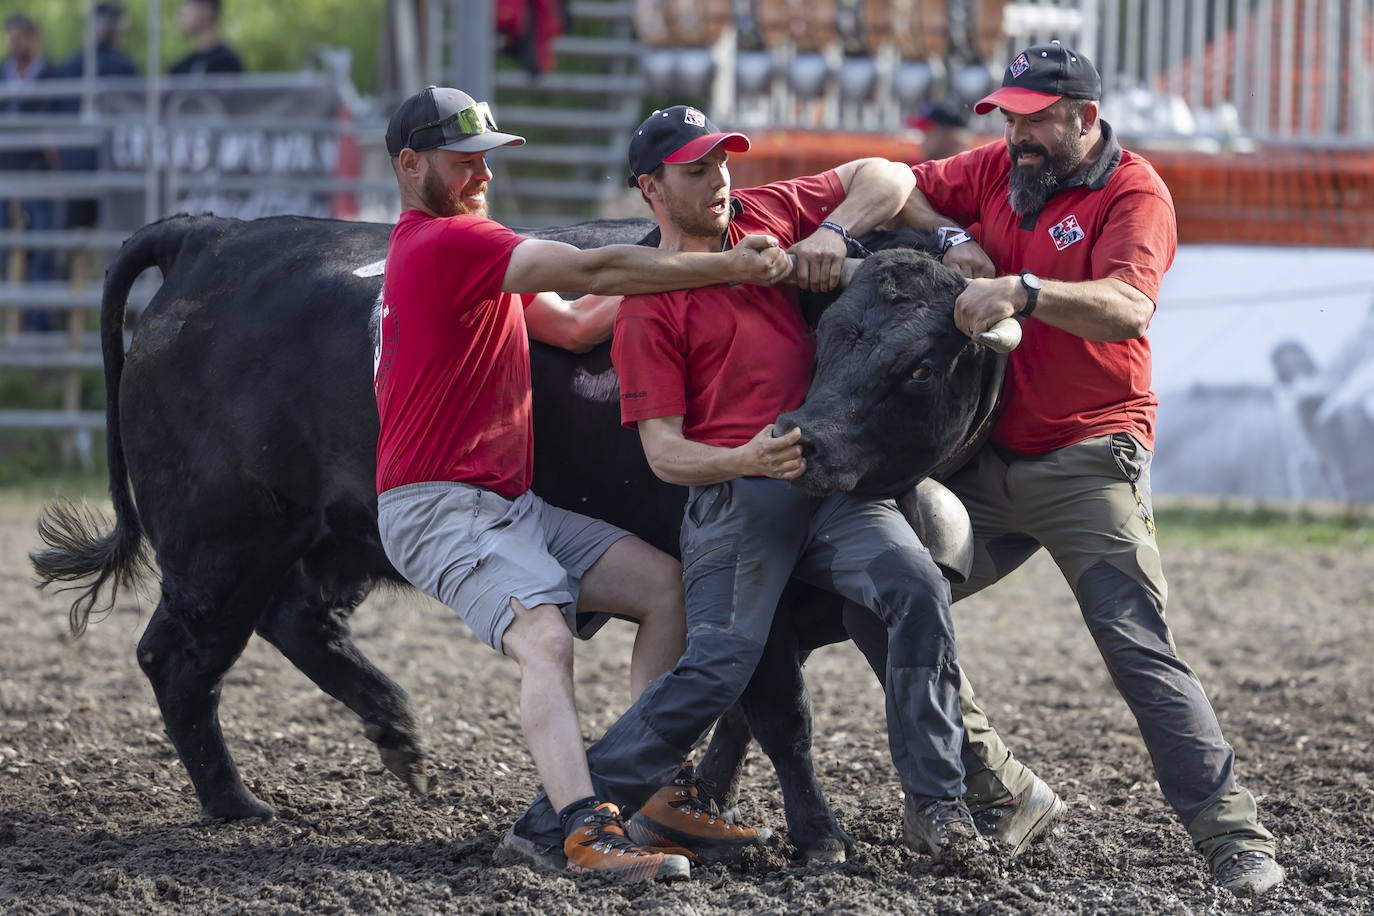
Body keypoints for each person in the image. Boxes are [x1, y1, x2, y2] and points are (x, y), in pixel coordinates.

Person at [502, 104, 1053, 879]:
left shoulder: (764, 214)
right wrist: (749, 459)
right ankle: (547, 824)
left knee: (916, 587)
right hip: (738, 496)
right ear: (652, 190)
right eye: (697, 172)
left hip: (830, 485)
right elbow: (664, 455)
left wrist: (833, 233)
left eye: (723, 163)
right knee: (717, 668)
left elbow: (885, 176)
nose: (720, 181)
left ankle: (938, 806)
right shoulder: (649, 305)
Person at [896, 42, 1285, 896]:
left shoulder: (1135, 192)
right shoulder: (996, 167)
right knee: (885, 599)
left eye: (1036, 120)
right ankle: (1004, 787)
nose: (1017, 136)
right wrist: (954, 235)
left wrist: (1023, 290)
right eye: (1008, 118)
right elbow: (895, 186)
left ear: (1086, 118)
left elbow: (1127, 308)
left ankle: (1236, 839)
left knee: (1135, 645)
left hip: (1088, 459)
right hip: (986, 462)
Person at [375, 86, 791, 883]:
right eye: (464, 162)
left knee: (666, 588)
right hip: (439, 507)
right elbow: (596, 265)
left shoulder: (461, 252)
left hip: (505, 503)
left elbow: (571, 322)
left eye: (488, 160)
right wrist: (725, 265)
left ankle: (658, 793)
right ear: (410, 165)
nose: (482, 176)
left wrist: (681, 267)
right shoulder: (447, 241)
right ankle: (581, 832)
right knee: (546, 639)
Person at [50, 2, 137, 231]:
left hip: (74, 169)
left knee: (71, 234)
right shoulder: (125, 68)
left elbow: (50, 129)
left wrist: (61, 164)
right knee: (118, 234)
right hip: (112, 168)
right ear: (119, 30)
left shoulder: (66, 68)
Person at [0, 12, 58, 326]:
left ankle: (38, 326)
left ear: (35, 38)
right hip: (5, 172)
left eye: (20, 36)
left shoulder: (53, 76)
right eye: (10, 36)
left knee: (42, 250)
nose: (14, 43)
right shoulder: (4, 74)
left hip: (39, 174)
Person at [169, 0, 243, 75]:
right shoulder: (180, 67)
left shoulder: (227, 63)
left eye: (188, 4)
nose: (182, 11)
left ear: (206, 10)